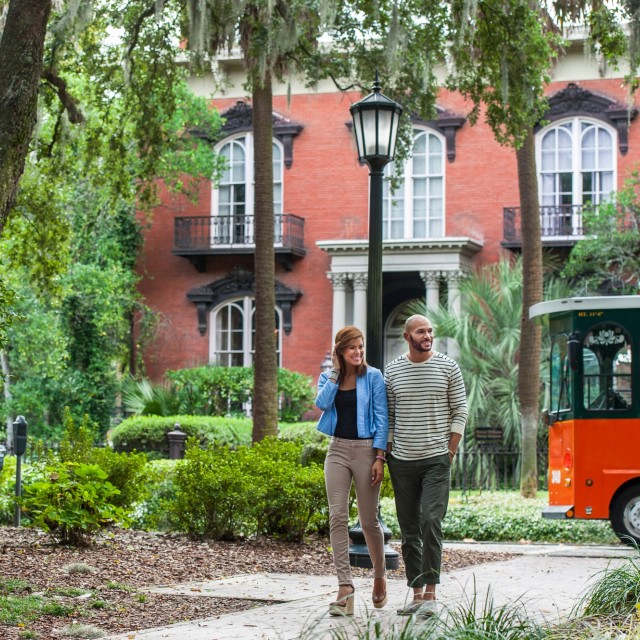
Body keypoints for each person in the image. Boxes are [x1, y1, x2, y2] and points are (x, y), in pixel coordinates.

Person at [384, 314, 468, 617]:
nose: (427, 335)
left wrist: (451, 449)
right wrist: (389, 452)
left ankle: (431, 595)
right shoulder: (392, 372)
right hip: (402, 461)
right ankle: (416, 594)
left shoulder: (448, 367)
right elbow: (389, 416)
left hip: (436, 459)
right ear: (407, 337)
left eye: (430, 331)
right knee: (408, 530)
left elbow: (460, 408)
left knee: (431, 522)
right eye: (421, 331)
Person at [315, 326, 389, 616]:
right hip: (337, 450)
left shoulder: (373, 377)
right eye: (352, 348)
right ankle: (345, 587)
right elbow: (321, 403)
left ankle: (380, 575)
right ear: (340, 352)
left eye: (360, 347)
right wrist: (335, 373)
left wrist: (380, 457)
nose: (358, 352)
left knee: (369, 521)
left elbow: (382, 418)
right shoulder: (328, 377)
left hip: (367, 450)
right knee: (337, 516)